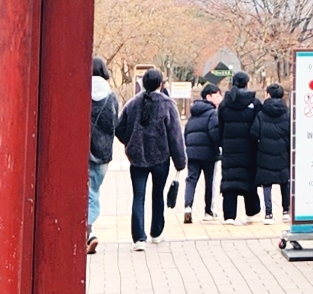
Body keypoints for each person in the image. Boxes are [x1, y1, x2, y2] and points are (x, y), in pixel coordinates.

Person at [116, 67, 184, 249]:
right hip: (161, 157)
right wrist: (180, 161)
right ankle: (156, 232)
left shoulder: (132, 103)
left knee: (138, 196)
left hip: (137, 158)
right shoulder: (168, 104)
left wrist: (130, 142)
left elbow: (119, 128)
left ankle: (139, 238)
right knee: (158, 194)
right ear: (161, 84)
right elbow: (175, 135)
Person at [216, 71, 260, 219]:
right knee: (248, 178)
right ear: (247, 83)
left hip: (229, 148)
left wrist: (222, 143)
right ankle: (252, 212)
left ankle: (229, 215)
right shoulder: (254, 102)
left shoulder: (224, 104)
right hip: (249, 147)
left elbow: (220, 126)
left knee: (230, 180)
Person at [86, 58, 116, 256]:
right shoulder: (111, 96)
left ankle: (88, 231)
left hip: (84, 151)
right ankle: (88, 230)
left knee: (86, 192)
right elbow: (115, 122)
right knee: (94, 191)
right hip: (103, 152)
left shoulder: (82, 92)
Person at [254, 77, 294, 221]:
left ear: (268, 95)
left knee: (267, 184)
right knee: (284, 181)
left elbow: (254, 132)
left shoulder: (261, 113)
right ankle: (286, 211)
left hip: (265, 152)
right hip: (283, 152)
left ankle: (268, 214)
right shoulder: (287, 114)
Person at [182, 84, 220, 223]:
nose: (220, 98)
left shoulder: (193, 113)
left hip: (192, 152)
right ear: (208, 96)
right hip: (208, 152)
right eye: (217, 95)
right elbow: (214, 132)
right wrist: (219, 145)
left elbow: (186, 132)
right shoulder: (212, 113)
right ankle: (208, 211)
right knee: (209, 181)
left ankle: (188, 207)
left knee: (191, 179)